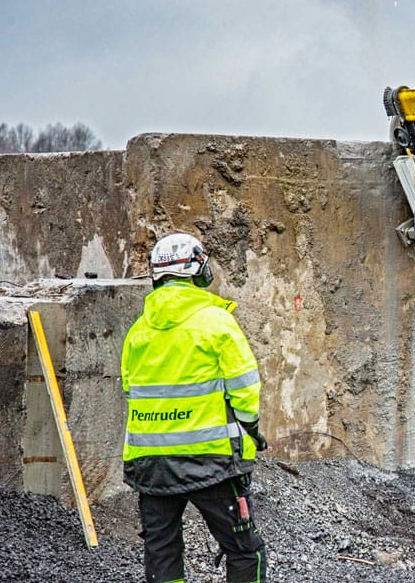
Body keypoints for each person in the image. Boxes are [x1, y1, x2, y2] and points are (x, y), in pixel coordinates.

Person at [121, 232, 269, 583]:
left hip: (151, 464)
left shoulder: (137, 332)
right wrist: (250, 431)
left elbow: (130, 391)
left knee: (162, 551)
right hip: (212, 461)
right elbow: (246, 390)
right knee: (246, 551)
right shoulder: (217, 323)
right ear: (199, 270)